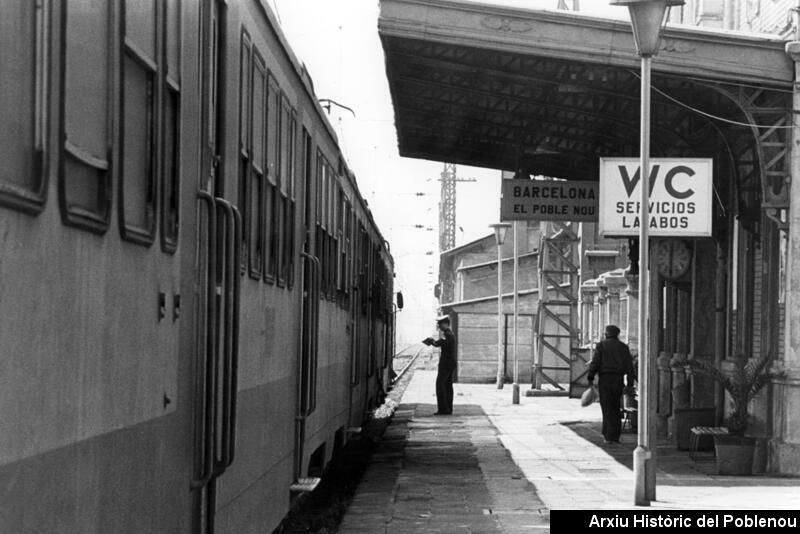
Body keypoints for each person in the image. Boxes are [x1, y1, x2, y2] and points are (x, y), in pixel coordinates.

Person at [587, 324, 635, 444]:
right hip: (618, 380)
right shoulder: (623, 347)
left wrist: (590, 376)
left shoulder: (601, 345)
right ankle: (615, 435)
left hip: (605, 380)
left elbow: (596, 362)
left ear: (606, 334)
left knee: (606, 407)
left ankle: (608, 435)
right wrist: (629, 383)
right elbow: (629, 366)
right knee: (615, 407)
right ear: (617, 334)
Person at [423, 315, 456, 415]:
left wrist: (432, 341)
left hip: (446, 363)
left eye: (440, 323)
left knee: (440, 385)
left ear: (446, 324)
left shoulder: (447, 334)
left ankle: (443, 409)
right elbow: (442, 343)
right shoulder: (449, 333)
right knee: (447, 386)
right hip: (450, 363)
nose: (439, 326)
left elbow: (441, 343)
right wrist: (433, 341)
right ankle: (448, 409)